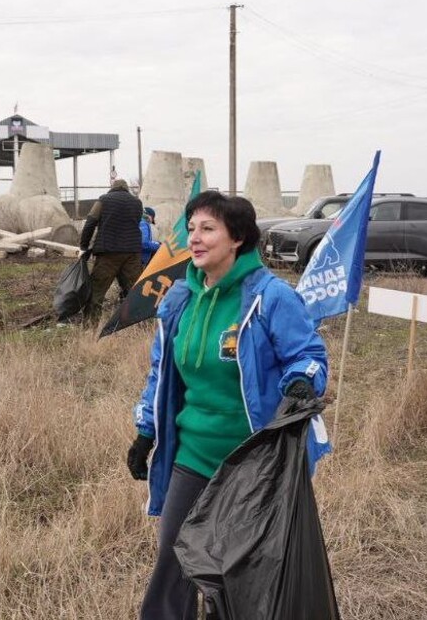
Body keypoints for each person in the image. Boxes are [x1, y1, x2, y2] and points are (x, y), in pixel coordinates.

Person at [126, 191, 330, 619]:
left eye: (208, 229)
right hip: (192, 454)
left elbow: (309, 355)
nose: (194, 239)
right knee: (174, 557)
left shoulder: (270, 297)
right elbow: (161, 371)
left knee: (240, 569)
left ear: (236, 238)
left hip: (252, 462)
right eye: (192, 228)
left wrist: (299, 385)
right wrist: (146, 430)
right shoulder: (180, 300)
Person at [79, 178, 144, 324]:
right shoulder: (137, 202)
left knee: (96, 292)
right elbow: (137, 222)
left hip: (108, 252)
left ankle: (90, 326)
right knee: (134, 291)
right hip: (132, 252)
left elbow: (90, 222)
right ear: (126, 189)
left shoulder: (104, 200)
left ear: (112, 188)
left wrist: (84, 246)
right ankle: (138, 325)